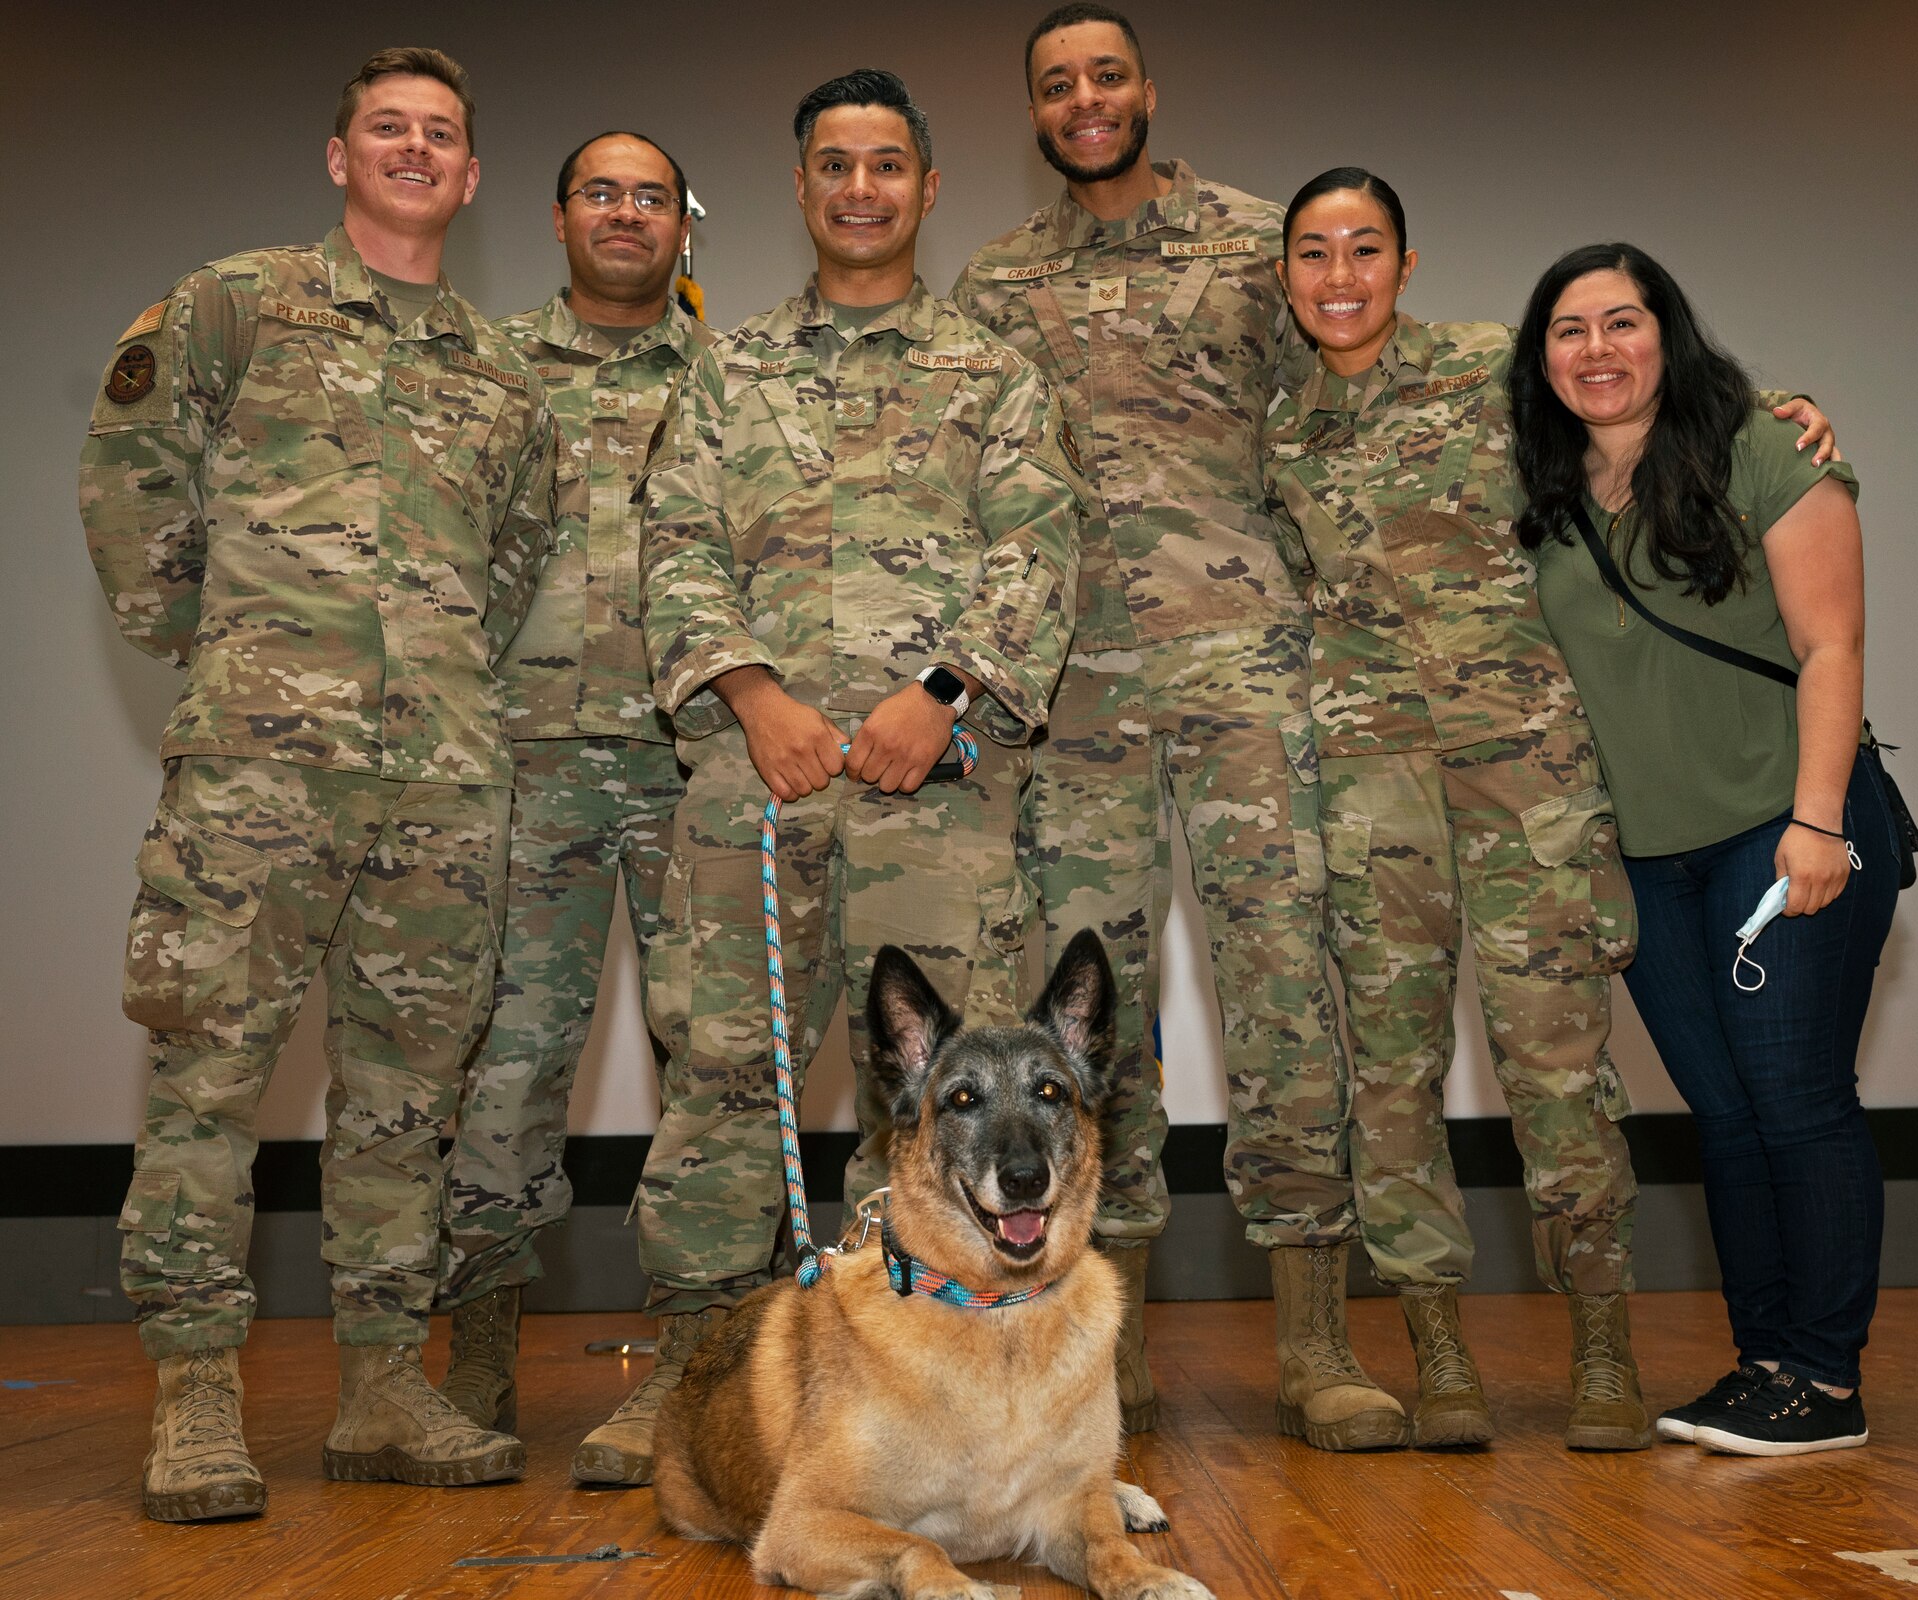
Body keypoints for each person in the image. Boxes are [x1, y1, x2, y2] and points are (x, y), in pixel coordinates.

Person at [1263, 168, 1835, 1452]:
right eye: (1312, 252)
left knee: (1559, 1068)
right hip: (1372, 793)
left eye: (1365, 248)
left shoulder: (1493, 370)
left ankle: (1597, 1349)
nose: (1339, 274)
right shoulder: (1268, 420)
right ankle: (1441, 1352)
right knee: (1393, 1076)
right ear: (1285, 275)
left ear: (1406, 264)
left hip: (1531, 786)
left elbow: (1641, 393)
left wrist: (1781, 412)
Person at [80, 47, 556, 1521]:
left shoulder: (503, 375)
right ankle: (197, 1395)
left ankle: (378, 1383)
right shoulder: (234, 303)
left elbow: (516, 561)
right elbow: (129, 478)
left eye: (443, 137)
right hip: (258, 786)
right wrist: (230, 655)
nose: (415, 151)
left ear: (471, 179)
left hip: (442, 788)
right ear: (339, 155)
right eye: (388, 129)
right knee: (207, 1085)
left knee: (407, 1100)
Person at [629, 68, 1082, 1481]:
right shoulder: (729, 372)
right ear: (805, 186)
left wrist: (940, 697)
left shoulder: (993, 374)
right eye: (836, 165)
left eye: (888, 165)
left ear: (929, 188)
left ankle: (932, 1401)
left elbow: (1038, 551)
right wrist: (753, 697)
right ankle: (693, 1395)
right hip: (754, 790)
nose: (862, 189)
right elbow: (675, 541)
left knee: (945, 1104)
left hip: (931, 809)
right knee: (720, 1084)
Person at [953, 2, 1347, 1442]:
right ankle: (1102, 1353)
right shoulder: (995, 283)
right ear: (1037, 112)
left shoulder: (1262, 241)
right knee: (1089, 1020)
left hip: (1249, 674)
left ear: (1147, 89)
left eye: (1105, 75)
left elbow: (1363, 394)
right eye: (1056, 84)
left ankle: (1315, 1344)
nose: (1085, 100)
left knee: (1288, 994)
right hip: (1080, 704)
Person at [1511, 243, 1892, 1456]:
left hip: (1785, 830)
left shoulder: (1760, 447)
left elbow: (1830, 646)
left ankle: (1824, 1379)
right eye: (1567, 332)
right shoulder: (1539, 486)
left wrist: (1819, 820)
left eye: (1620, 323)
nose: (1596, 351)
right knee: (1723, 1117)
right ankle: (1764, 1362)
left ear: (1664, 332)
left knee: (1797, 1102)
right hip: (1649, 866)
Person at [431, 131, 714, 1485]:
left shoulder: (738, 378)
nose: (624, 213)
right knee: (503, 1069)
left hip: (698, 769)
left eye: (649, 196)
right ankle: (477, 1355)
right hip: (526, 768)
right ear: (555, 219)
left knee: (715, 1069)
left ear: (683, 226)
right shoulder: (485, 374)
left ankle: (695, 1366)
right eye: (599, 192)